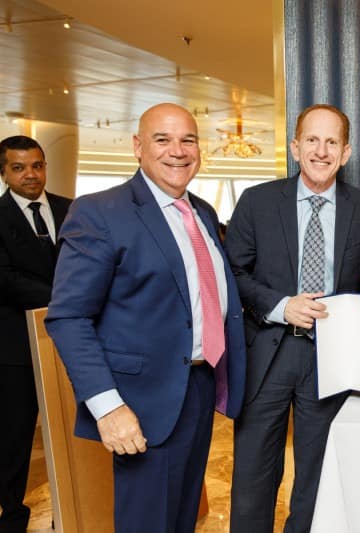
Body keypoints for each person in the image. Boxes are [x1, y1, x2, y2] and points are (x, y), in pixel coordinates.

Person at [45, 103, 246, 533]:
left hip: (198, 386)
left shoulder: (203, 213)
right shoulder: (100, 213)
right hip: (138, 403)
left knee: (181, 518)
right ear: (138, 147)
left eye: (188, 139)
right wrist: (108, 407)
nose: (178, 150)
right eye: (163, 139)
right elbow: (68, 317)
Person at [226, 103, 360, 532]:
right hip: (267, 352)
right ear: (295, 147)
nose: (322, 151)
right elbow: (234, 275)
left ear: (347, 151)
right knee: (253, 479)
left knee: (317, 480)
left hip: (331, 361)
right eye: (313, 141)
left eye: (332, 142)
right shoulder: (257, 201)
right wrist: (282, 306)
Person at [0, 136, 71, 533]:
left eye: (37, 165)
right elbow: (5, 280)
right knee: (14, 437)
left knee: (72, 431)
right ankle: (12, 516)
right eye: (19, 167)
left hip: (71, 340)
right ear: (5, 172)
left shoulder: (71, 209)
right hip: (15, 348)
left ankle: (72, 512)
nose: (31, 174)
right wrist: (70, 296)